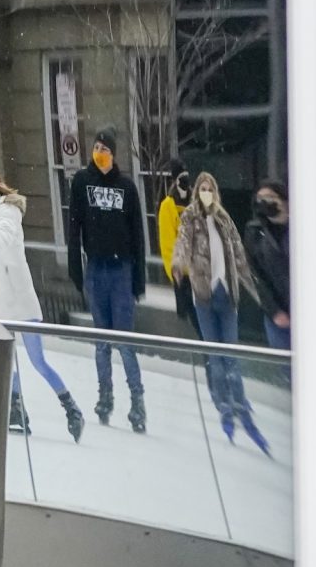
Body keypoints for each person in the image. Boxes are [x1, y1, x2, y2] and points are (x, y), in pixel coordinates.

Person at [0, 167, 85, 441]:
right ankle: (18, 410)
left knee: (37, 361)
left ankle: (71, 407)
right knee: (6, 358)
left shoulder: (8, 210)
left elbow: (3, 236)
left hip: (20, 300)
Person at [173, 172, 270, 456]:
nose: (206, 193)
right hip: (204, 297)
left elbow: (239, 257)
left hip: (227, 297)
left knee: (232, 357)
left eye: (209, 189)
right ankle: (225, 409)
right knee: (215, 357)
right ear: (197, 193)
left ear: (215, 192)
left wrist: (257, 292)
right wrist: (178, 266)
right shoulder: (190, 219)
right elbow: (182, 244)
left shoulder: (225, 221)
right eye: (202, 189)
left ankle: (241, 408)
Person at [65, 127, 148, 433]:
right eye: (97, 146)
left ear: (114, 155)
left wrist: (139, 279)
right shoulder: (82, 182)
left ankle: (137, 400)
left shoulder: (126, 187)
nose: (100, 152)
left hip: (122, 269)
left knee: (125, 340)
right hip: (96, 268)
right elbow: (74, 226)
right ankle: (105, 395)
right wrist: (75, 267)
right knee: (102, 341)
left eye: (105, 149)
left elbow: (138, 235)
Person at [156, 158, 202, 338]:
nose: (185, 180)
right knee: (198, 323)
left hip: (200, 271)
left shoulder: (195, 201)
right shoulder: (167, 206)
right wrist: (175, 271)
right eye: (181, 176)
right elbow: (167, 243)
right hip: (184, 275)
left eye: (186, 176)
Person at [247, 179, 291, 350]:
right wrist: (274, 310)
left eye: (270, 197)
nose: (264, 202)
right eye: (260, 198)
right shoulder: (255, 231)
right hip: (276, 313)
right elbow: (255, 275)